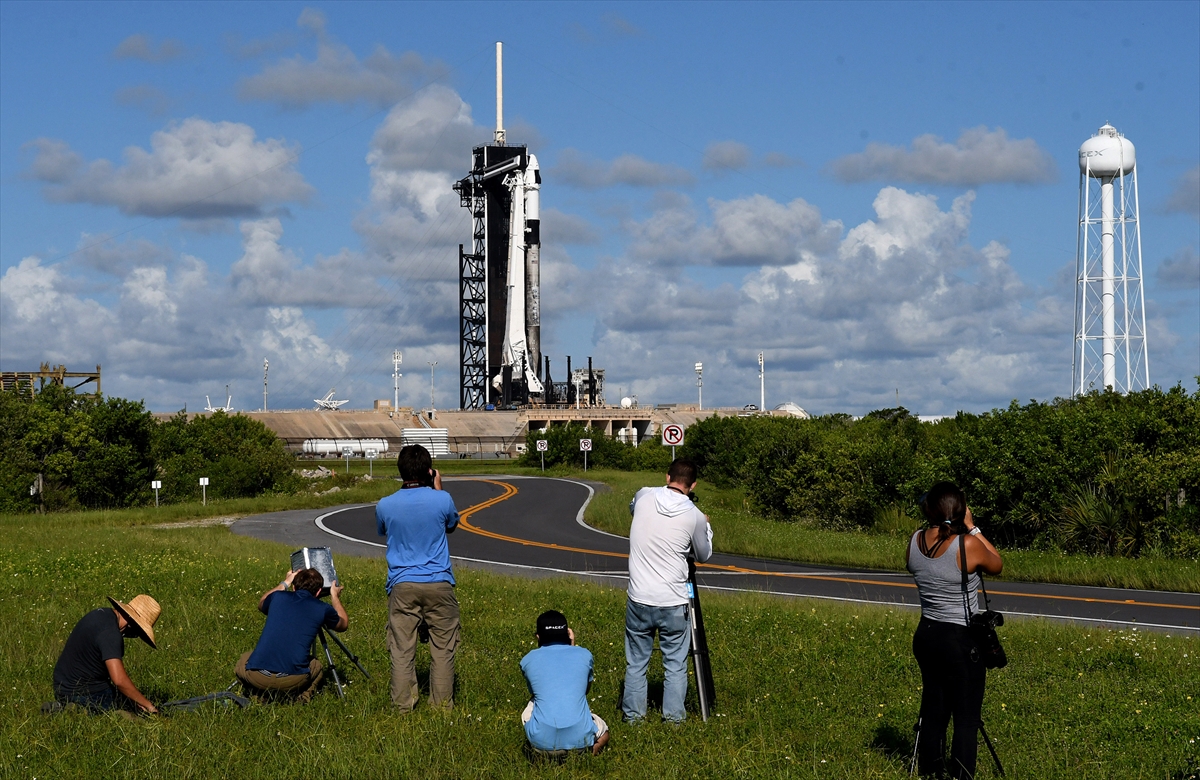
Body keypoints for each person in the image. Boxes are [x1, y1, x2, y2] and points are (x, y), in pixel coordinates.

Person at [906, 481, 1004, 779]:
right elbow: (997, 564)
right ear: (960, 510)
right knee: (965, 717)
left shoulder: (915, 539)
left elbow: (916, 566)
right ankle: (961, 774)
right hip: (959, 639)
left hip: (927, 633)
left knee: (934, 708)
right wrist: (972, 528)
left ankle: (929, 771)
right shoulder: (967, 544)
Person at [621, 457, 713, 724]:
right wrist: (706, 527)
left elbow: (634, 509)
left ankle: (633, 719)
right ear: (693, 485)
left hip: (639, 597)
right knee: (675, 664)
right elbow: (703, 555)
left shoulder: (644, 495)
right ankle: (673, 720)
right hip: (674, 600)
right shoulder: (694, 516)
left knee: (636, 662)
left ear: (667, 477)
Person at [376, 443, 461, 712]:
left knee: (402, 649)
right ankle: (441, 706)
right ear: (428, 470)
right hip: (438, 581)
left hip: (402, 583)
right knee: (443, 647)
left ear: (400, 471)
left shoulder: (385, 504)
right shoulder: (442, 499)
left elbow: (382, 530)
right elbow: (452, 525)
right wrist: (438, 487)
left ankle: (403, 706)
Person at [235, 567, 347, 702]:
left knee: (244, 659)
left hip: (257, 677)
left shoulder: (277, 597)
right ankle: (299, 699)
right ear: (318, 592)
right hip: (292, 680)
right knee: (316, 666)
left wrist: (286, 582)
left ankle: (257, 694)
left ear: (294, 587)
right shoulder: (322, 608)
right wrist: (334, 596)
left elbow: (261, 603)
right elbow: (343, 624)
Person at [52, 594, 162, 714]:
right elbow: (119, 680)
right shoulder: (111, 635)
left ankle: (67, 706)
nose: (134, 636)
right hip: (88, 692)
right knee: (134, 713)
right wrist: (148, 705)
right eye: (137, 633)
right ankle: (83, 709)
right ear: (132, 624)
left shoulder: (100, 614)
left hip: (61, 688)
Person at [520, 610, 610, 756]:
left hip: (541, 745)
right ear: (568, 633)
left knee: (533, 703)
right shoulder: (585, 655)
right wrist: (572, 646)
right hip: (581, 742)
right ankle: (587, 754)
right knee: (604, 732)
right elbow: (585, 690)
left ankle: (542, 755)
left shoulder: (528, 660)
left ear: (538, 636)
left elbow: (536, 692)